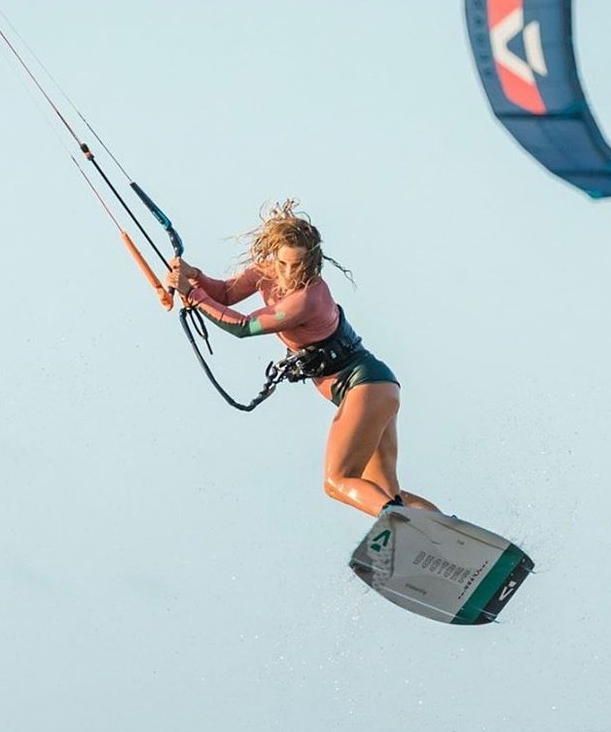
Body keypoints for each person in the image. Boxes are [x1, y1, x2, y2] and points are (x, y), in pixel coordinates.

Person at [169, 201, 438, 519]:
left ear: (312, 263)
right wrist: (194, 276)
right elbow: (225, 295)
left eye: (297, 266)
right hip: (375, 388)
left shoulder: (308, 299)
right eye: (282, 264)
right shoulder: (267, 271)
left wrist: (193, 295)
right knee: (386, 491)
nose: (288, 273)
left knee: (337, 481)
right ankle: (455, 542)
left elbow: (242, 327)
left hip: (364, 385)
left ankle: (410, 530)